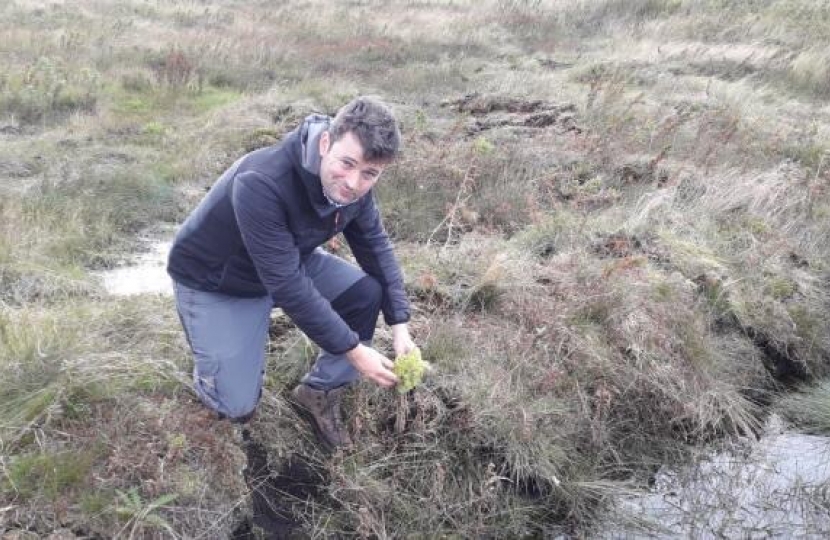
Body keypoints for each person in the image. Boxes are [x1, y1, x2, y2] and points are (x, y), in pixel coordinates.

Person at [167, 96, 415, 449]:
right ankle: (215, 371)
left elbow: (375, 246)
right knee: (236, 406)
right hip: (216, 280)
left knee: (365, 293)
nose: (353, 183)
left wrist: (400, 326)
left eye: (370, 174)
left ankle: (318, 391)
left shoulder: (355, 187)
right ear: (325, 143)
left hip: (286, 260)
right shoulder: (263, 180)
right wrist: (356, 352)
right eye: (347, 164)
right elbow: (286, 285)